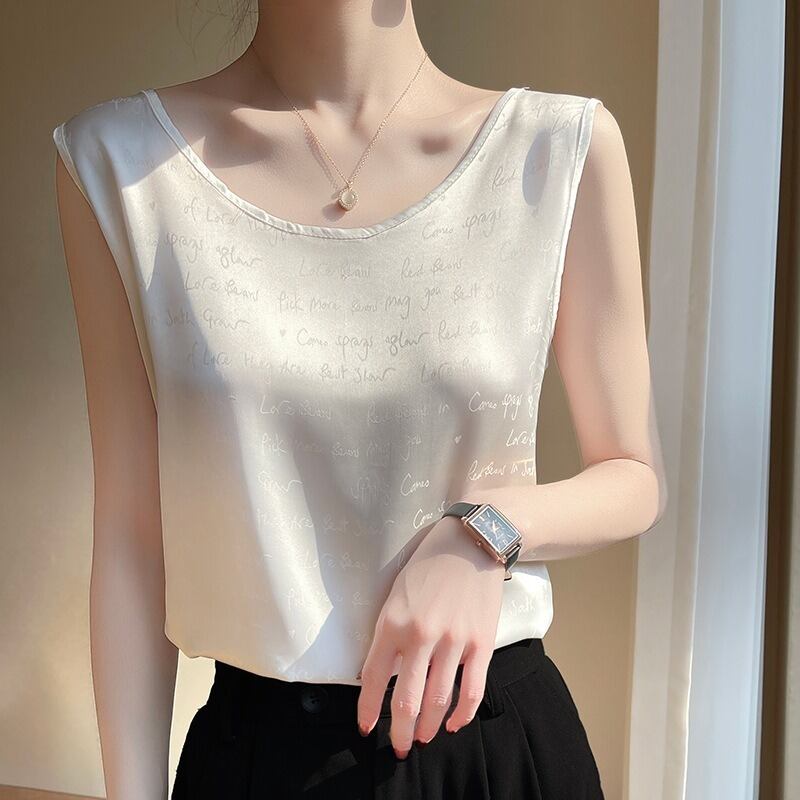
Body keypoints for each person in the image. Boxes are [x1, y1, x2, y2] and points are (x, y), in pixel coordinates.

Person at [52, 1, 667, 797]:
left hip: (493, 753)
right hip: (258, 762)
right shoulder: (121, 164)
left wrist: (485, 533)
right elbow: (133, 538)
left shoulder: (557, 148)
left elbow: (633, 476)